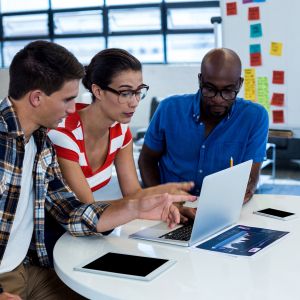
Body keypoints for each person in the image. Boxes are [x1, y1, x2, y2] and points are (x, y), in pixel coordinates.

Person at [0, 41, 196, 299]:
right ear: (37, 98)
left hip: (30, 267)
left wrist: (136, 208)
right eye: (67, 100)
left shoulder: (40, 143)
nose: (73, 109)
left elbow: (70, 211)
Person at [48, 48, 194, 205]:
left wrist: (168, 204)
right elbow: (89, 210)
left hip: (84, 225)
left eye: (138, 92)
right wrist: (157, 200)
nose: (135, 102)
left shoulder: (120, 130)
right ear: (98, 91)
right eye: (125, 93)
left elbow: (133, 194)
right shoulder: (64, 134)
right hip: (54, 227)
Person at [138, 48, 269, 207]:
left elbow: (251, 177)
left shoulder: (254, 117)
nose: (218, 100)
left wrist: (243, 193)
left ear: (239, 84)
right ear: (200, 80)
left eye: (228, 91)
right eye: (210, 89)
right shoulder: (169, 109)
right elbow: (146, 161)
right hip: (170, 208)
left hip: (220, 208)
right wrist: (163, 201)